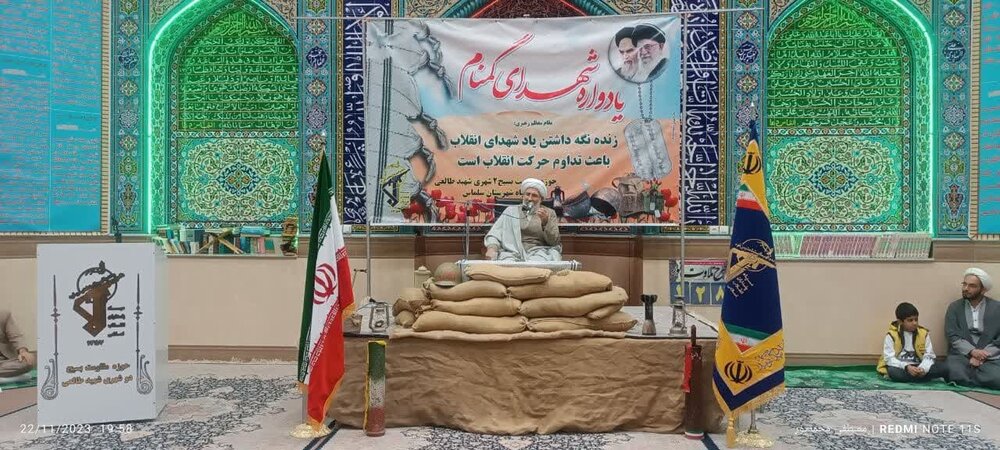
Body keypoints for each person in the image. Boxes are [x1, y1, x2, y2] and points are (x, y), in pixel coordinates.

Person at [944, 268, 1000, 389]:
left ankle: (970, 378)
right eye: (964, 284)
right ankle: (981, 378)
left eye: (972, 286)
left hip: (990, 357)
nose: (966, 288)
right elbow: (952, 335)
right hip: (962, 355)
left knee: (998, 377)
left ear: (983, 289)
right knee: (953, 370)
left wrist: (982, 355)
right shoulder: (954, 307)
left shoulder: (997, 308)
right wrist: (972, 352)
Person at [484, 178, 561, 262]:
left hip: (538, 253)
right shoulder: (511, 211)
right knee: (506, 264)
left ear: (541, 199)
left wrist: (545, 223)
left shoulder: (549, 213)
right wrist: (492, 248)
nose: (530, 198)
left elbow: (554, 242)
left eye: (534, 195)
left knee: (538, 265)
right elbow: (495, 234)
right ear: (523, 196)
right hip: (511, 252)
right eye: (527, 194)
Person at [876, 302, 946, 382]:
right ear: (900, 321)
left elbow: (929, 356)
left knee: (943, 367)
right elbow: (889, 359)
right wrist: (906, 367)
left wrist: (923, 368)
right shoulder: (891, 335)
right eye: (910, 320)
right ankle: (923, 379)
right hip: (902, 367)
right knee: (893, 371)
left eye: (916, 319)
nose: (914, 323)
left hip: (919, 365)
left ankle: (917, 377)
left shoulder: (923, 333)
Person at [0, 309, 35, 379]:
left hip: (4, 362)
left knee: (27, 362)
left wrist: (23, 351)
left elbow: (16, 336)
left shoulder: (4, 315)